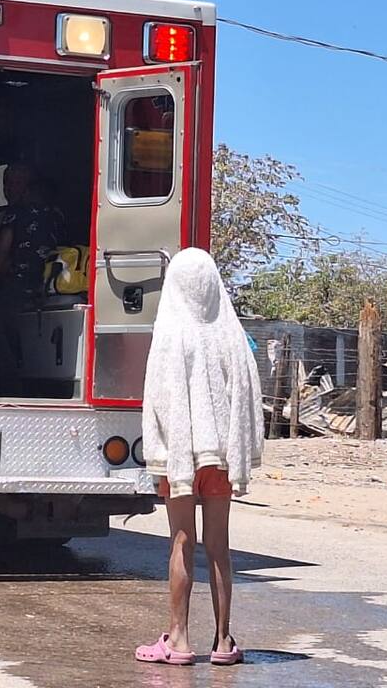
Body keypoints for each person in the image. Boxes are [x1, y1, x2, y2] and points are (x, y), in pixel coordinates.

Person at [134, 248, 264, 668]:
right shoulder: (230, 334)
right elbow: (246, 397)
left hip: (181, 455)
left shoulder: (171, 333)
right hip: (220, 456)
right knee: (219, 545)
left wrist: (159, 451)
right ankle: (224, 642)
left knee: (181, 541)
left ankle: (179, 639)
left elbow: (158, 398)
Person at [0, 163, 64, 394]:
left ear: (27, 186)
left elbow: (1, 250)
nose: (7, 189)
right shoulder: (56, 213)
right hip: (47, 283)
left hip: (21, 282)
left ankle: (5, 386)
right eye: (5, 182)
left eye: (13, 183)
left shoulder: (15, 213)